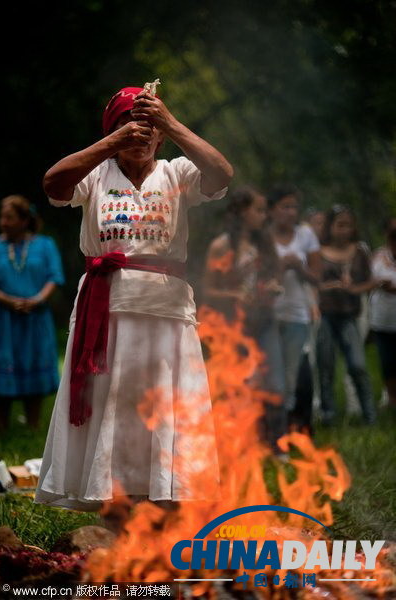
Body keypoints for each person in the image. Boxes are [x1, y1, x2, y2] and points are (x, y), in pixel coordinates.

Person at [35, 83, 233, 511]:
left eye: (148, 127)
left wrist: (171, 122)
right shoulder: (96, 175)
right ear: (114, 132)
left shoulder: (177, 172)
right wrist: (111, 143)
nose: (140, 135)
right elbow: (53, 184)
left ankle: (166, 496)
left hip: (168, 311)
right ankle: (111, 499)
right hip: (107, 309)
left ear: (161, 135)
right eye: (129, 125)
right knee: (112, 403)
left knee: (167, 403)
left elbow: (222, 174)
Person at [203, 186, 285, 451]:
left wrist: (273, 285)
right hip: (235, 326)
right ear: (241, 212)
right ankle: (241, 445)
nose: (264, 215)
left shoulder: (265, 243)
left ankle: (275, 444)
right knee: (239, 385)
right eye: (259, 210)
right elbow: (208, 289)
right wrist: (234, 293)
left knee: (274, 382)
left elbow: (276, 275)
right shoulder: (222, 246)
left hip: (265, 321)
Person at [0, 195, 64, 430]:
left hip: (36, 317)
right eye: (2, 217)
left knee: (34, 361)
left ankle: (33, 426)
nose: (3, 222)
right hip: (3, 319)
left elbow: (54, 277)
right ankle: (1, 426)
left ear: (24, 220)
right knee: (3, 364)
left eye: (10, 217)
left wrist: (36, 300)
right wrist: (8, 300)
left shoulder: (44, 245)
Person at [316, 204, 376, 425]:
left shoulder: (360, 251)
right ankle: (328, 415)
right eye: (340, 225)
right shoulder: (318, 251)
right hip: (326, 315)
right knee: (326, 366)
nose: (344, 230)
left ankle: (369, 416)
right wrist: (328, 287)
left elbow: (370, 281)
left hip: (350, 315)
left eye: (349, 225)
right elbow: (313, 282)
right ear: (330, 226)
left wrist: (353, 289)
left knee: (358, 365)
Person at [268, 185, 321, 418]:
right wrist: (279, 268)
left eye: (294, 207)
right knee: (270, 370)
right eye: (285, 207)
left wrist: (300, 268)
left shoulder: (306, 235)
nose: (291, 212)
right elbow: (256, 277)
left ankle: (290, 422)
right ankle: (269, 423)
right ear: (272, 210)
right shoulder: (263, 237)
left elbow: (318, 277)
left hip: (297, 313)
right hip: (269, 314)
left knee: (292, 372)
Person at [370, 216, 396, 409]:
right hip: (382, 319)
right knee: (387, 362)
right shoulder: (378, 256)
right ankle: (391, 397)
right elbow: (369, 279)